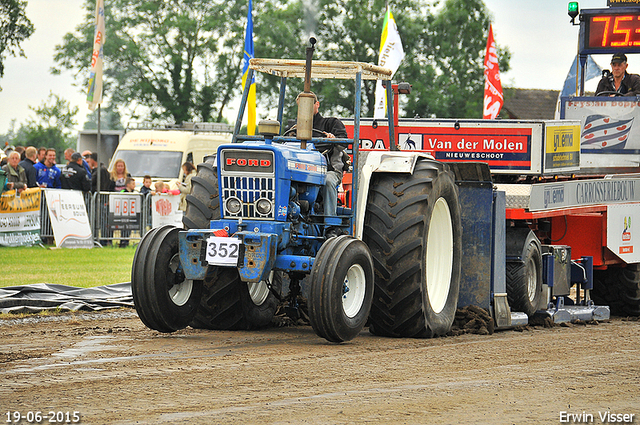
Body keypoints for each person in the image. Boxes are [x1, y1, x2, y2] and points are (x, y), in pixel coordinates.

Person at [292, 92, 348, 220]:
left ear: (317, 104)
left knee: (328, 181)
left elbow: (343, 143)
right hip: (301, 170)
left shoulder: (331, 123)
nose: (304, 109)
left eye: (307, 105)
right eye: (301, 106)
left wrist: (333, 139)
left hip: (328, 170)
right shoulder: (295, 129)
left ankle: (330, 224)